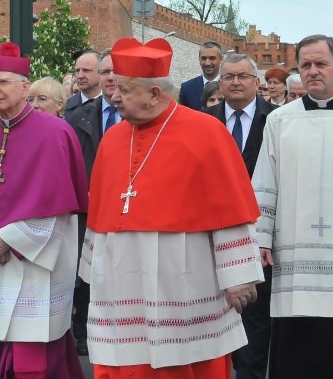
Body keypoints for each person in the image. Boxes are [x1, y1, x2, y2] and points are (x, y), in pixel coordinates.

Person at [82, 38, 262, 378]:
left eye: (123, 89)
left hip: (185, 279)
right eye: (113, 88)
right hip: (122, 283)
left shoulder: (207, 132)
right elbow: (101, 213)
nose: (113, 97)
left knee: (186, 362)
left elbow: (229, 209)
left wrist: (238, 276)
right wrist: (94, 269)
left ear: (154, 93)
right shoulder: (113, 139)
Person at [0, 42, 89, 379]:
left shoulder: (56, 133)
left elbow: (60, 204)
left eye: (3, 82)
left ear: (25, 87)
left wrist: (7, 240)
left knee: (32, 350)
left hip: (36, 259)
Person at [253, 34, 333, 379]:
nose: (313, 71)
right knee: (298, 350)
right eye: (306, 65)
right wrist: (261, 238)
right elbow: (264, 181)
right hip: (295, 260)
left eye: (321, 63)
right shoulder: (280, 120)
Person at [201, 54, 276, 379]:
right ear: (219, 82)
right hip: (209, 233)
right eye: (228, 76)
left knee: (254, 318)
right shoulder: (203, 122)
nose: (235, 82)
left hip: (259, 234)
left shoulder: (275, 119)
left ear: (256, 83)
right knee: (210, 317)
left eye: (243, 76)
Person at [65, 48, 118, 356]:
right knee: (86, 272)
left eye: (114, 71)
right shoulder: (79, 114)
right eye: (106, 71)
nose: (110, 77)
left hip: (126, 206)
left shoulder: (135, 113)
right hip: (88, 207)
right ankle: (84, 330)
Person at [178, 40, 223, 110]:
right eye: (204, 58)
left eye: (212, 58)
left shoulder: (228, 85)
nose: (207, 63)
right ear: (199, 60)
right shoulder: (187, 88)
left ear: (221, 59)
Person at [64, 50, 101, 118]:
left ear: (100, 72)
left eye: (86, 70)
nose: (80, 76)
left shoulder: (113, 105)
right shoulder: (65, 107)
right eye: (77, 71)